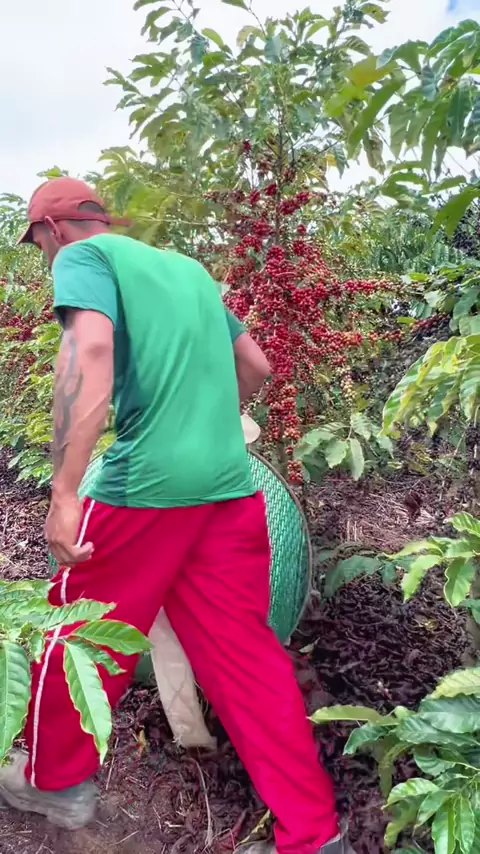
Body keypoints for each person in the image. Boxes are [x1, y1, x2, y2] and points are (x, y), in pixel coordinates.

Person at [0, 177, 355, 854]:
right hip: (229, 487)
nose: (45, 257)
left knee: (78, 630)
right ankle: (314, 834)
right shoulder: (189, 271)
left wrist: (66, 493)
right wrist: (206, 428)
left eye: (39, 244)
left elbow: (90, 352)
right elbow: (255, 365)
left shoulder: (83, 258)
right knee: (247, 656)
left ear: (53, 229)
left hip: (146, 490)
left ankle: (54, 782)